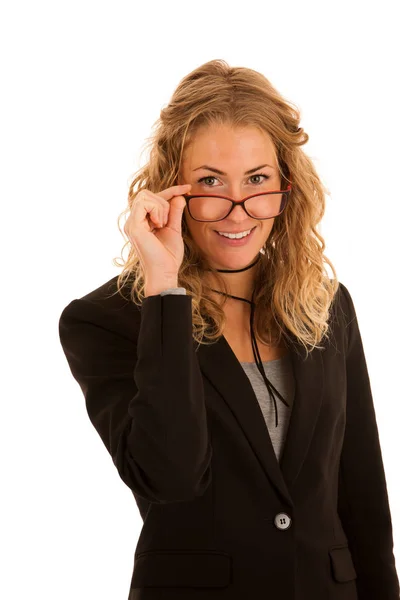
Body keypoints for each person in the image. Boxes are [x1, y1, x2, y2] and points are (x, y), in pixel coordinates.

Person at [58, 59, 399, 600]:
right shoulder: (108, 319)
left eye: (258, 180)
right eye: (211, 182)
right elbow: (169, 478)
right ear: (172, 189)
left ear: (287, 185)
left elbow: (362, 495)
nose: (237, 211)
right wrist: (165, 291)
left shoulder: (326, 305)